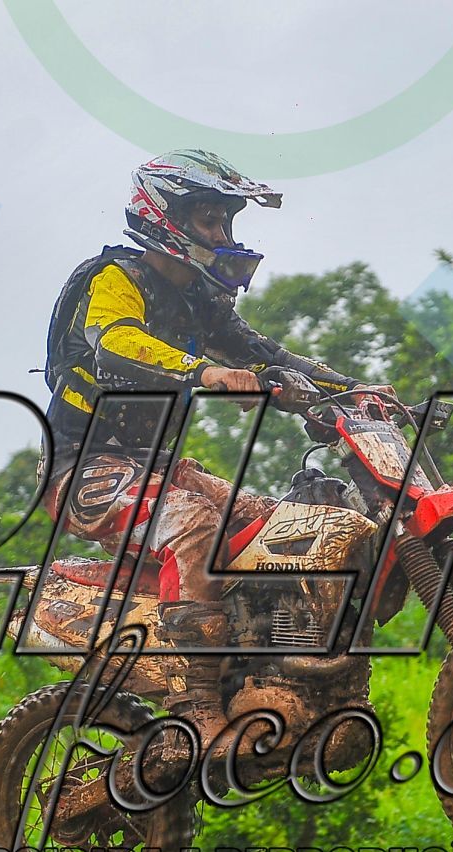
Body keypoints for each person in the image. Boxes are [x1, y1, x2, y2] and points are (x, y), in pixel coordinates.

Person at [41, 149, 363, 741]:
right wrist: (207, 372)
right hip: (81, 470)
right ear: (165, 215)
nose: (222, 235)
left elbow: (268, 355)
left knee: (280, 525)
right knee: (194, 526)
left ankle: (271, 660)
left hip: (159, 466)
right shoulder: (116, 278)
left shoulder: (200, 302)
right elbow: (114, 343)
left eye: (225, 221)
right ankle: (195, 702)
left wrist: (355, 390)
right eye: (209, 220)